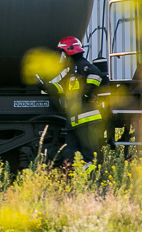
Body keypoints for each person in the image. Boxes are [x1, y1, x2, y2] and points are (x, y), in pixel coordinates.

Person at [44, 36, 107, 164]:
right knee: (70, 153)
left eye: (63, 53)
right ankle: (77, 176)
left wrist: (85, 95)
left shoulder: (82, 65)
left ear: (69, 51)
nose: (62, 58)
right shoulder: (72, 72)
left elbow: (96, 75)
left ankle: (92, 177)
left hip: (87, 119)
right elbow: (61, 88)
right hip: (75, 121)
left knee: (89, 155)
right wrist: (45, 86)